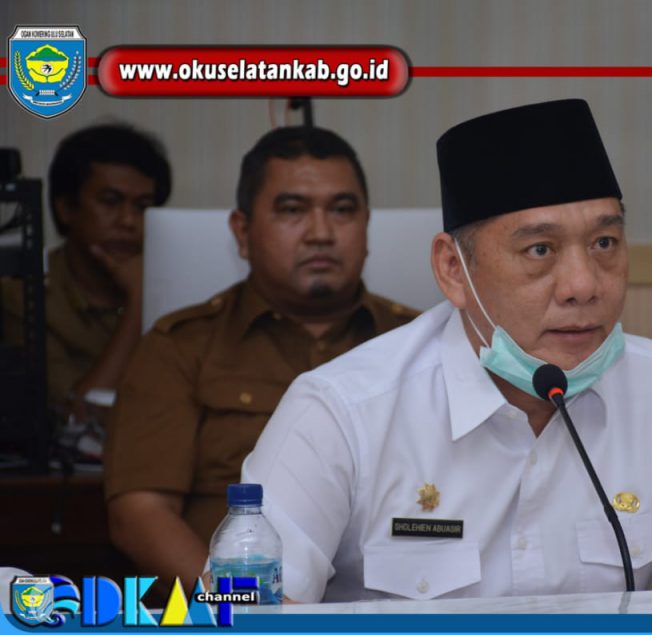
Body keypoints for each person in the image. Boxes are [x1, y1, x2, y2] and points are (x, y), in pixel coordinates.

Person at [241, 99, 652, 604]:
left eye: (605, 243)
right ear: (453, 269)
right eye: (540, 249)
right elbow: (237, 626)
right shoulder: (341, 411)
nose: (584, 285)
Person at [103, 126, 417, 592]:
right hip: (232, 611)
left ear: (366, 225)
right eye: (292, 210)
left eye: (342, 210)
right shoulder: (182, 347)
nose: (321, 233)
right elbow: (140, 514)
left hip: (392, 611)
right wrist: (243, 606)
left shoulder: (418, 344)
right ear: (243, 231)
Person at [1, 123, 171, 417]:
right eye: (110, 202)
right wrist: (138, 304)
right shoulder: (25, 297)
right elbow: (76, 418)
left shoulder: (176, 281)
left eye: (143, 206)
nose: (129, 221)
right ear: (66, 208)